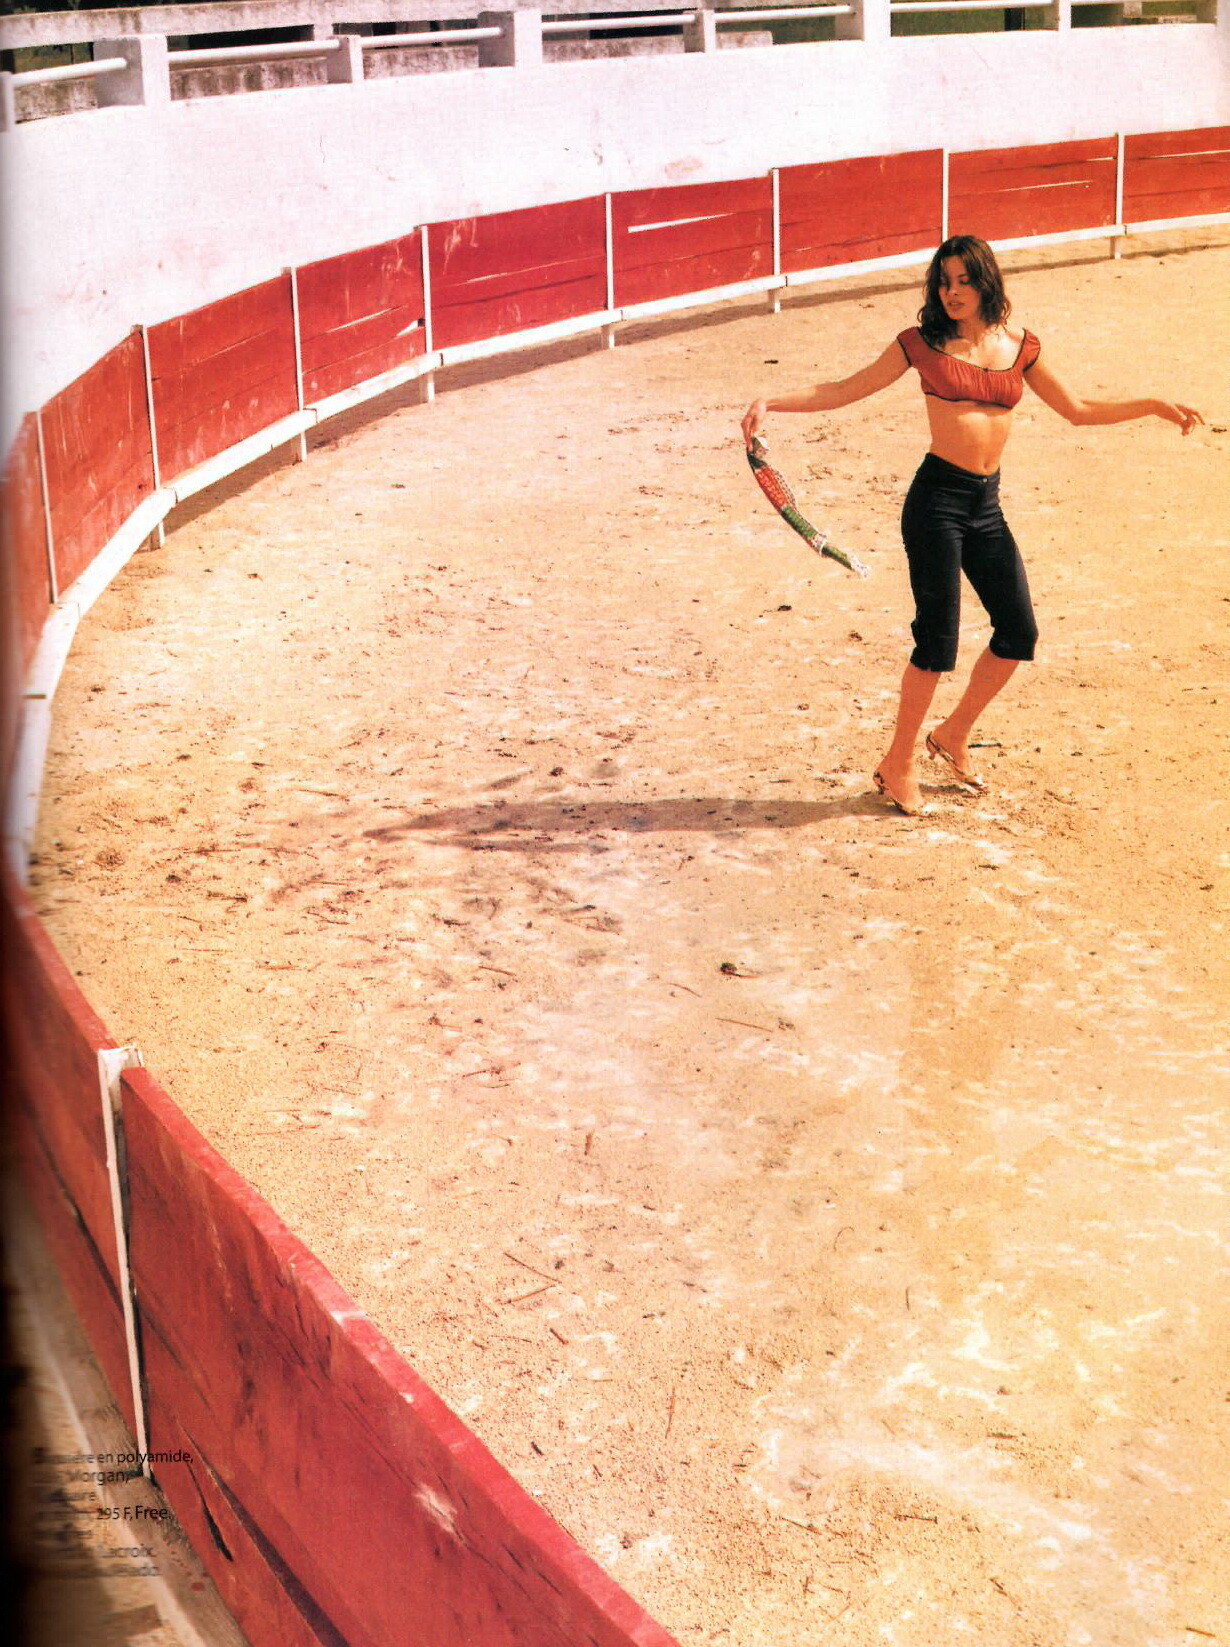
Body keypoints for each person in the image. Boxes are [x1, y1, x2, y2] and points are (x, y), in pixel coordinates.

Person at [740, 234, 1203, 816]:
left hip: (987, 506)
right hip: (936, 503)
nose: (952, 292)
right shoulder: (920, 344)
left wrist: (1151, 405)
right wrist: (773, 401)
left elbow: (1079, 410)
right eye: (943, 281)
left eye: (963, 281)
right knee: (937, 643)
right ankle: (897, 763)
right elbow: (846, 389)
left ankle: (953, 733)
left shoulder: (1021, 346)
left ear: (986, 282)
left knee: (1018, 634)